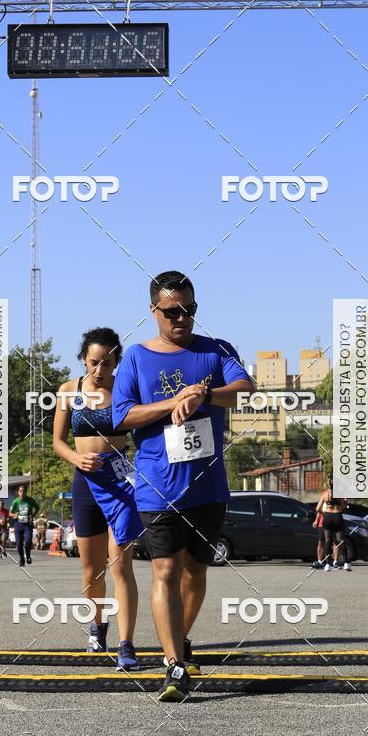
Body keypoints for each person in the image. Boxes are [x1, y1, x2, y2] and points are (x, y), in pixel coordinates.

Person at [112, 271, 252, 701]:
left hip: (207, 487)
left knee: (195, 571)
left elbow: (245, 389)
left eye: (190, 310)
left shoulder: (216, 350)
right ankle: (173, 665)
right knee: (166, 571)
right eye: (173, 311)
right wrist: (173, 401)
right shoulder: (136, 357)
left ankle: (181, 638)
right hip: (156, 485)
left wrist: (204, 395)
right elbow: (120, 417)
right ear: (153, 310)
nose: (182, 318)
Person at [53, 327, 142, 671]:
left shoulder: (126, 389)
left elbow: (147, 428)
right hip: (85, 481)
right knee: (91, 570)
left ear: (117, 361)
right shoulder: (68, 391)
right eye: (93, 362)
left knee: (121, 565)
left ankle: (126, 643)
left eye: (107, 363)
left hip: (120, 480)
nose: (99, 370)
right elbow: (58, 442)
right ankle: (97, 625)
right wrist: (76, 459)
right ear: (83, 360)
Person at [316, 478, 350, 572]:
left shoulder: (325, 494)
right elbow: (343, 506)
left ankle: (327, 564)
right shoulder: (341, 494)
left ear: (329, 484)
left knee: (328, 541)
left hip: (327, 516)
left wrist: (323, 513)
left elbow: (317, 508)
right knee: (341, 540)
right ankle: (346, 563)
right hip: (338, 516)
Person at [9, 485, 39, 567]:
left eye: (24, 491)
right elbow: (10, 513)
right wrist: (15, 514)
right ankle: (22, 559)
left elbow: (37, 507)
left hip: (27, 525)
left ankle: (28, 556)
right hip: (18, 524)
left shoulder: (30, 500)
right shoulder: (15, 501)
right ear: (18, 492)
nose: (22, 493)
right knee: (19, 544)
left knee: (28, 542)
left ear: (26, 492)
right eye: (20, 491)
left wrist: (32, 515)